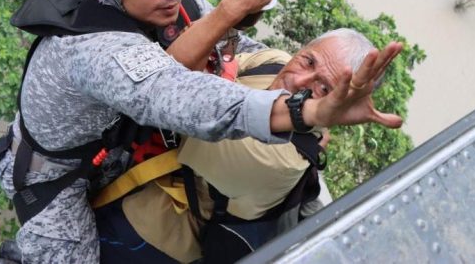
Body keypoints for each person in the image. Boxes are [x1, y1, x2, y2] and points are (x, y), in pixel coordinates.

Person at [0, 0, 403, 263]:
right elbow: (178, 95)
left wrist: (260, 35)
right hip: (55, 177)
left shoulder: (170, 1)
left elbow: (228, 48)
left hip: (111, 148)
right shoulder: (91, 51)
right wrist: (303, 114)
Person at [95, 28, 378, 263]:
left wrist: (232, 10)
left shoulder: (280, 159)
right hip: (133, 172)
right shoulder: (277, 61)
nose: (298, 82)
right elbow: (218, 64)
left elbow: (179, 105)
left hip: (149, 234)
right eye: (308, 61)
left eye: (324, 89)